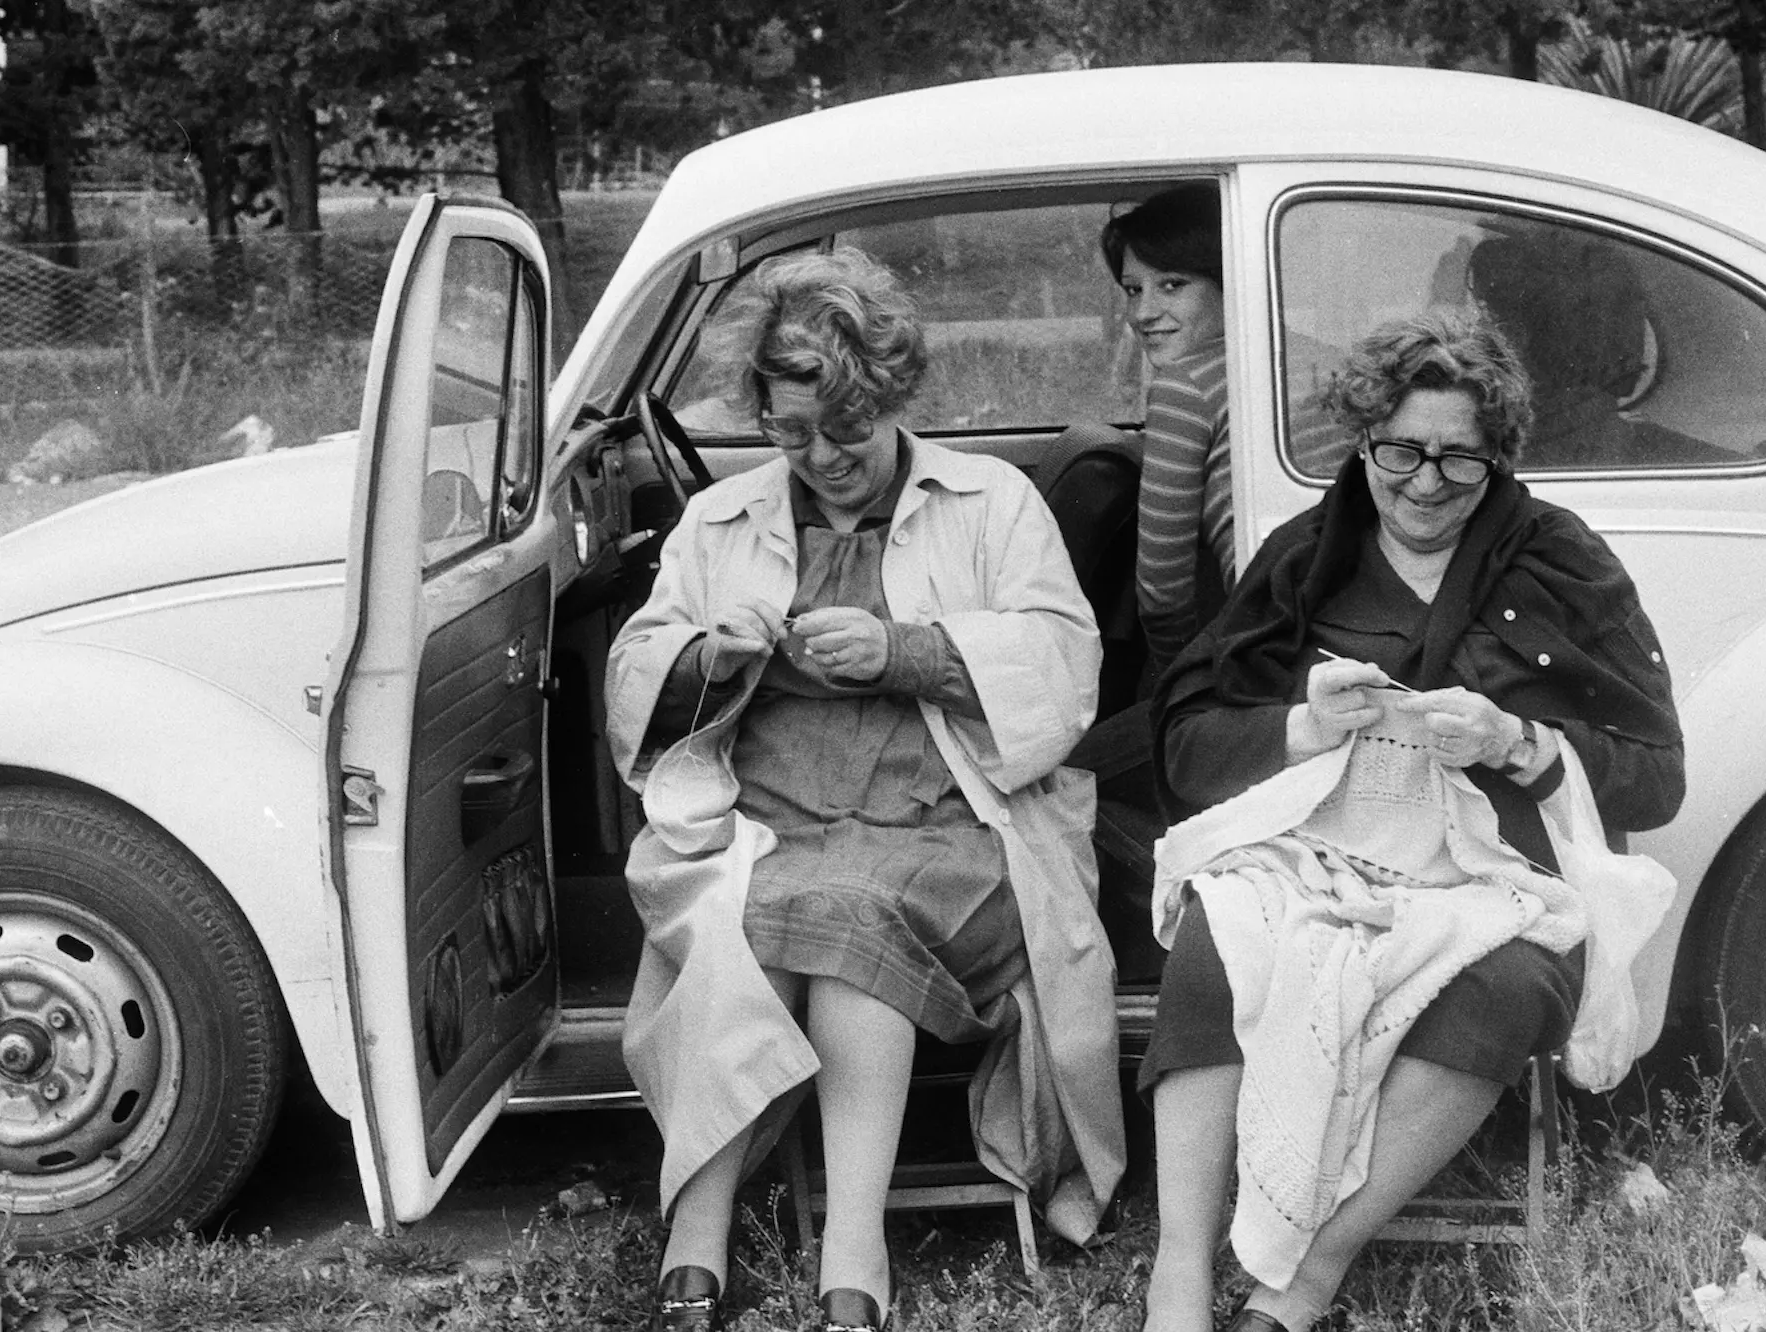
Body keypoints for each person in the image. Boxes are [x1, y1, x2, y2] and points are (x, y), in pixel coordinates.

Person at [606, 248, 1124, 1332]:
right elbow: (634, 669)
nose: (819, 458)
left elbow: (1065, 670)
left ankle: (840, 1241)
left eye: (844, 431)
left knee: (841, 919)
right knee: (759, 912)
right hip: (770, 823)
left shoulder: (990, 503)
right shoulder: (721, 522)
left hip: (953, 827)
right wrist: (710, 656)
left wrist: (907, 653)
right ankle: (719, 1233)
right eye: (790, 433)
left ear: (891, 397)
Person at [1137, 311, 1684, 1332]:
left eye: (1458, 461)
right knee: (1220, 933)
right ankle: (1178, 1274)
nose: (1425, 483)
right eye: (1401, 453)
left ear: (1498, 459)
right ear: (1360, 442)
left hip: (1497, 885)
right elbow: (1185, 748)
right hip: (1319, 857)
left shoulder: (1561, 561)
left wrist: (1517, 742)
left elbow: (1656, 777)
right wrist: (1299, 727)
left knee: (1508, 982)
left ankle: (1303, 1278)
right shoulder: (1304, 560)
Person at [1104, 184, 1231, 670]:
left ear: (1228, 278)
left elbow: (1161, 592)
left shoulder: (1184, 388)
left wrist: (1181, 686)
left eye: (1173, 285)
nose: (1143, 313)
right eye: (1134, 290)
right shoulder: (1303, 353)